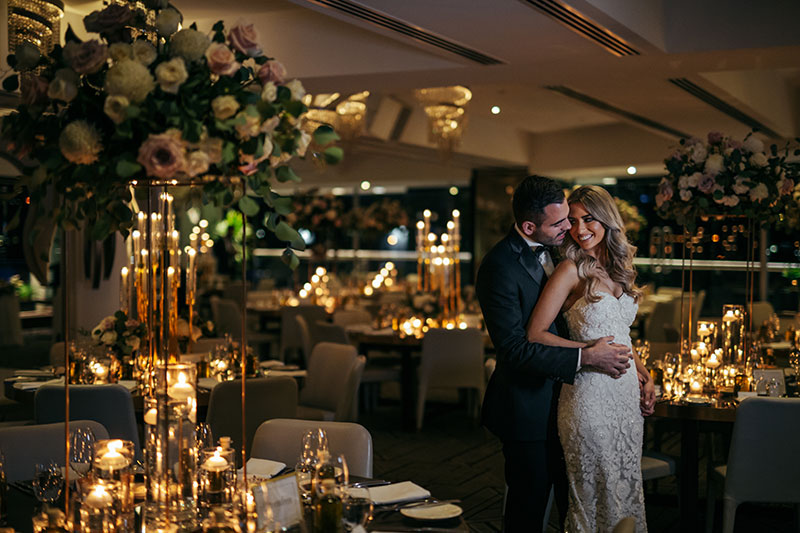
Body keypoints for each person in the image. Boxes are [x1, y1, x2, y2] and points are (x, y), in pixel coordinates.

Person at [477, 176, 633, 532]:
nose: (570, 227)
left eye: (571, 217)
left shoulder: (564, 248)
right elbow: (515, 349)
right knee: (528, 511)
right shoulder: (498, 267)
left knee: (575, 502)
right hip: (527, 407)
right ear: (530, 226)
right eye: (561, 222)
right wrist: (586, 357)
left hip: (575, 401)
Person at [526, 185, 655, 532]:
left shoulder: (621, 268)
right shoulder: (570, 270)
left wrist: (645, 373)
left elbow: (621, 334)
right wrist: (587, 351)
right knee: (591, 496)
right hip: (589, 399)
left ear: (606, 219)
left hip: (625, 400)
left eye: (588, 219)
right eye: (573, 221)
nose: (579, 229)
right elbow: (536, 334)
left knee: (626, 488)